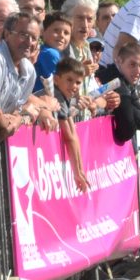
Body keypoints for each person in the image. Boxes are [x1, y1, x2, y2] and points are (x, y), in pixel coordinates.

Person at [49, 56, 92, 193]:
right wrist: (77, 173)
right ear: (56, 79)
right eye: (69, 80)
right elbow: (69, 136)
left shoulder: (64, 96)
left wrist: (80, 169)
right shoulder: (57, 96)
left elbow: (73, 134)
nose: (74, 86)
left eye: (78, 83)